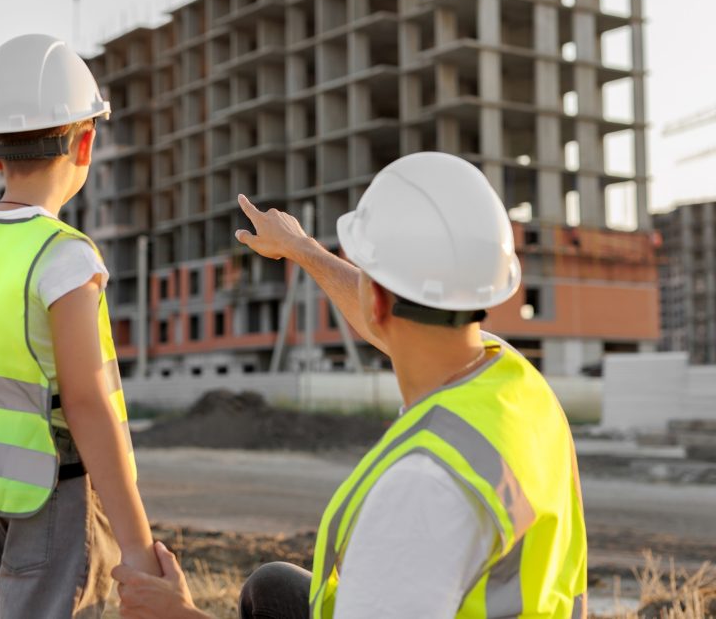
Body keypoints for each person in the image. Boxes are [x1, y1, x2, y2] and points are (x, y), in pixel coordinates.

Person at [112, 152, 588, 619]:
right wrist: (303, 250)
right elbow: (385, 316)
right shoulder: (515, 378)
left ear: (377, 299)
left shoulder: (419, 489)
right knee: (273, 588)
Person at [0, 34, 160, 619]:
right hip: (56, 492)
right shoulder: (64, 256)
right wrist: (137, 544)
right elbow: (87, 402)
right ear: (87, 142)